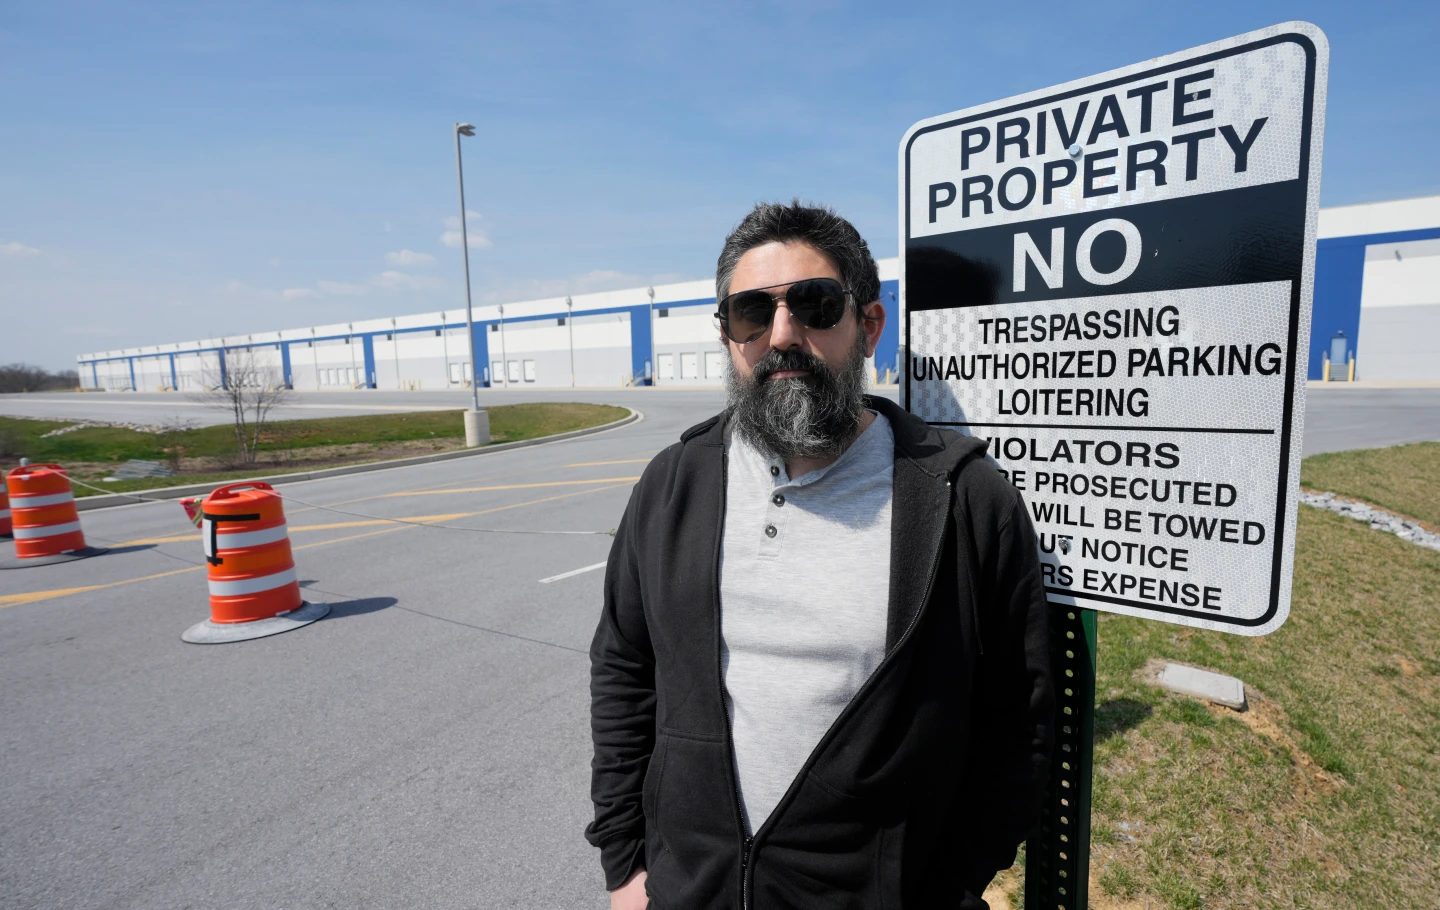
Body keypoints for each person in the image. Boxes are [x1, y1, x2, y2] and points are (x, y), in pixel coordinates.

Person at [586, 200, 1053, 909]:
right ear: (727, 337)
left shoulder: (963, 498)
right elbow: (625, 668)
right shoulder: (673, 484)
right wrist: (624, 865)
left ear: (869, 326)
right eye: (751, 312)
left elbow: (1018, 719)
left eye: (815, 304)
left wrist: (951, 883)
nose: (782, 334)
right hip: (689, 892)